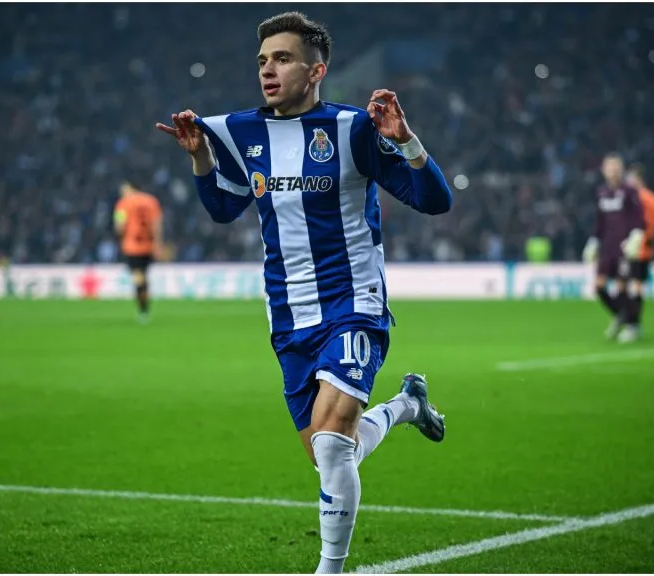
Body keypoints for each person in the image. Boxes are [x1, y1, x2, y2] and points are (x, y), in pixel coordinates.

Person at [156, 12, 451, 574]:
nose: (268, 69)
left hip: (353, 305)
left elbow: (435, 200)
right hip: (289, 316)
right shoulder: (242, 131)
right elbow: (223, 208)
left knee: (334, 444)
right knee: (329, 451)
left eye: (283, 58)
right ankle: (406, 405)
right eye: (263, 59)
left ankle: (329, 569)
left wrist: (407, 141)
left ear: (317, 70)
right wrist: (199, 156)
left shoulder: (352, 128)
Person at [582, 153, 646, 341]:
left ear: (621, 170)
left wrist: (636, 236)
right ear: (603, 170)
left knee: (621, 288)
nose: (613, 171)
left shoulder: (629, 192)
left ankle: (633, 326)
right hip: (606, 248)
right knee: (599, 287)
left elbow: (638, 218)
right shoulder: (601, 192)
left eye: (616, 167)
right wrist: (593, 242)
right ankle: (623, 317)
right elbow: (599, 222)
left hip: (623, 248)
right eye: (609, 167)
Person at [618, 164, 654, 342]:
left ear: (638, 179)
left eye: (630, 179)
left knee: (630, 287)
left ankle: (632, 324)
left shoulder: (639, 198)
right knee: (636, 287)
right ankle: (630, 322)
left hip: (635, 248)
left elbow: (640, 224)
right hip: (645, 248)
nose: (628, 183)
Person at [114, 181, 163, 323]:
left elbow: (119, 225)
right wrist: (158, 244)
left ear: (132, 188)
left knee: (138, 277)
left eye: (124, 189)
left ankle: (143, 310)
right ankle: (144, 302)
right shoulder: (152, 201)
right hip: (149, 245)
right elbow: (157, 224)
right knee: (143, 275)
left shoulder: (123, 203)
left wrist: (119, 235)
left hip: (132, 245)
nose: (122, 192)